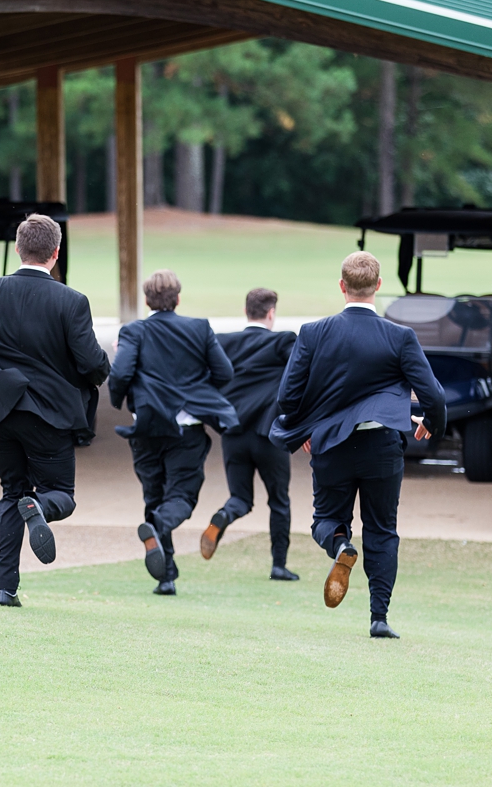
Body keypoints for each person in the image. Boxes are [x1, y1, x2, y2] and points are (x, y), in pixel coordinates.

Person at [0, 213, 110, 607]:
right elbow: (94, 365)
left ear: (17, 248)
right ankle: (40, 506)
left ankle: (4, 589)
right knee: (61, 494)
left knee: (11, 493)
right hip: (49, 416)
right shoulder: (71, 301)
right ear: (56, 253)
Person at [269, 250, 446, 639]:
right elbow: (433, 395)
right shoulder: (400, 337)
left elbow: (287, 399)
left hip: (330, 445)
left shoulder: (313, 333)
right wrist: (430, 425)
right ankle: (379, 617)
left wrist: (304, 429)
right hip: (382, 444)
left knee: (325, 520)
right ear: (378, 286)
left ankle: (340, 546)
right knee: (383, 529)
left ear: (342, 286)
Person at [109, 270, 237, 595]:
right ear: (178, 299)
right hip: (186, 429)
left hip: (147, 428)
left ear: (147, 301)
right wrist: (195, 389)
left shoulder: (133, 331)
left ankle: (166, 578)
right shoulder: (199, 328)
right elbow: (225, 372)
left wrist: (122, 401)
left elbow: (120, 373)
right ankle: (158, 529)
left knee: (154, 496)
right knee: (180, 497)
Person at [201, 288, 297, 580]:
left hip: (234, 435)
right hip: (269, 435)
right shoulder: (284, 341)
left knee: (241, 498)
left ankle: (224, 516)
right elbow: (300, 376)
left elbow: (203, 384)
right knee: (279, 501)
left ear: (246, 311)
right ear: (271, 313)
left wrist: (219, 424)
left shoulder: (223, 342)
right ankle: (278, 565)